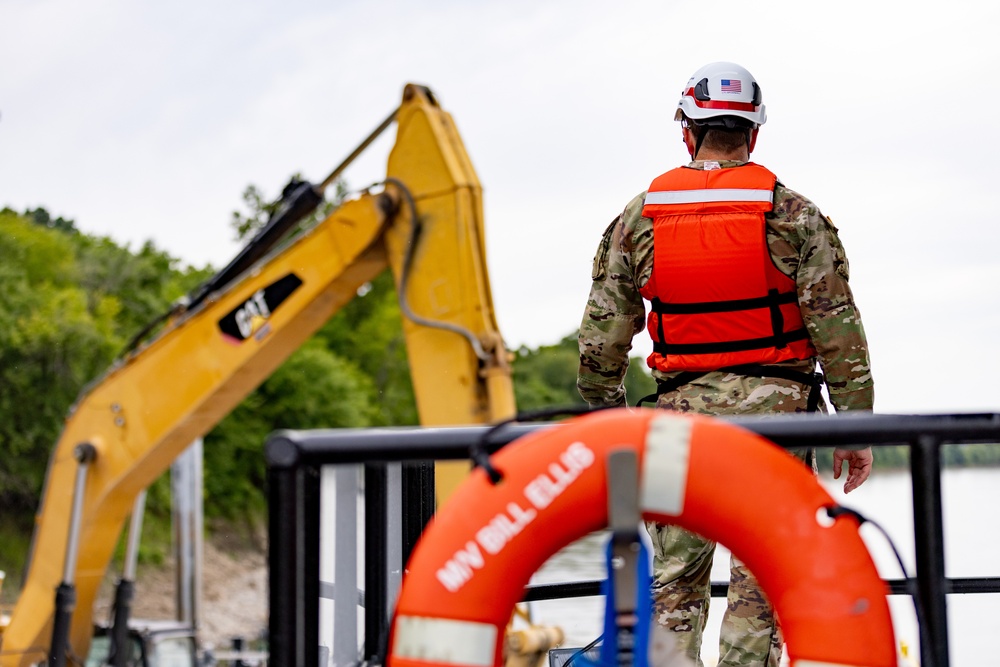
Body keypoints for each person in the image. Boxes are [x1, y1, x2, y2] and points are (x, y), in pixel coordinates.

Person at [576, 61, 875, 667]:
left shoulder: (639, 217)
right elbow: (838, 332)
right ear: (754, 134)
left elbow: (600, 345)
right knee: (761, 582)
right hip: (779, 425)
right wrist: (856, 425)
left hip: (679, 427)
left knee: (674, 586)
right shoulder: (794, 214)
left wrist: (612, 418)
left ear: (688, 131)